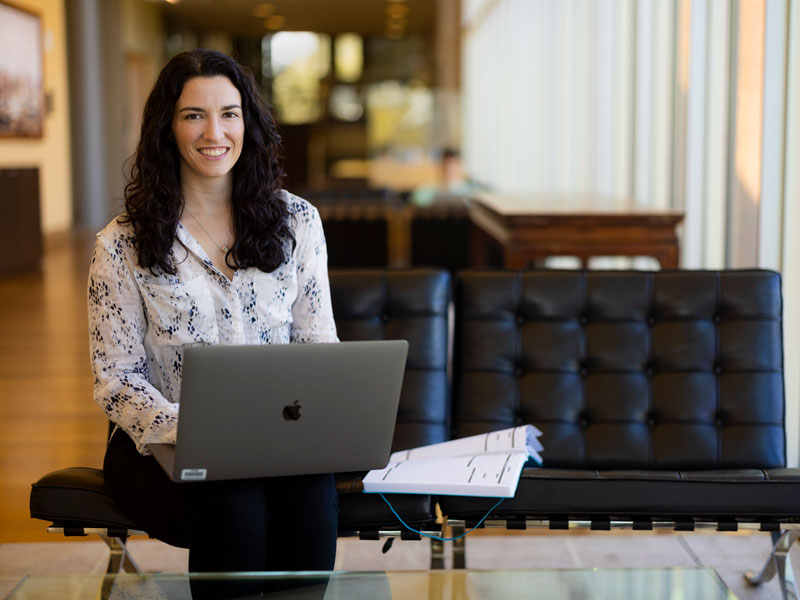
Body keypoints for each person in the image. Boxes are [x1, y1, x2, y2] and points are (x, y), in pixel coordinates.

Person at [88, 49, 339, 589]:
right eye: (193, 115)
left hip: (279, 439)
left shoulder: (297, 221)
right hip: (162, 445)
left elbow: (318, 349)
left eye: (229, 113)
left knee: (311, 500)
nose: (214, 132)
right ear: (167, 128)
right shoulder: (121, 243)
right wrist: (201, 434)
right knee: (235, 502)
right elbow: (117, 380)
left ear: (247, 121)